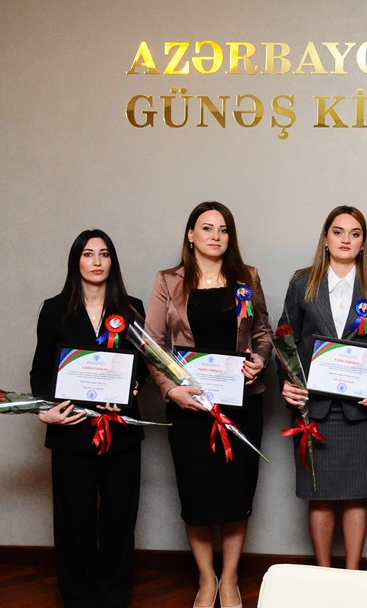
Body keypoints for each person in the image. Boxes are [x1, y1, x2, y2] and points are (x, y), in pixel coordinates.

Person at [144, 201, 271, 608]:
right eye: (207, 228)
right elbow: (152, 344)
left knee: (236, 495)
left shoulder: (247, 277)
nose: (216, 236)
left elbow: (263, 332)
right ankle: (205, 579)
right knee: (196, 496)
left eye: (223, 229)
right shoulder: (168, 281)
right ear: (190, 234)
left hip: (242, 405)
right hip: (189, 407)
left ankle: (229, 579)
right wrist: (170, 390)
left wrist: (259, 361)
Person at [29, 229, 147, 608]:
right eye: (88, 253)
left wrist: (132, 389)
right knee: (74, 519)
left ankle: (114, 596)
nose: (97, 261)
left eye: (104, 253)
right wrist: (45, 410)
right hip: (71, 429)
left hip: (120, 430)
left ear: (113, 261)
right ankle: (77, 597)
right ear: (76, 261)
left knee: (119, 518)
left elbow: (144, 365)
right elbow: (41, 370)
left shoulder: (132, 308)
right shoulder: (53, 309)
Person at [278, 205, 367, 569]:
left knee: (356, 496)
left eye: (355, 233)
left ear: (363, 243)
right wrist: (287, 382)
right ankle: (324, 576)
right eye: (338, 232)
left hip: (361, 409)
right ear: (326, 239)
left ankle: (351, 576)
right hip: (314, 408)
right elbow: (284, 338)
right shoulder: (303, 282)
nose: (346, 239)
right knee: (320, 497)